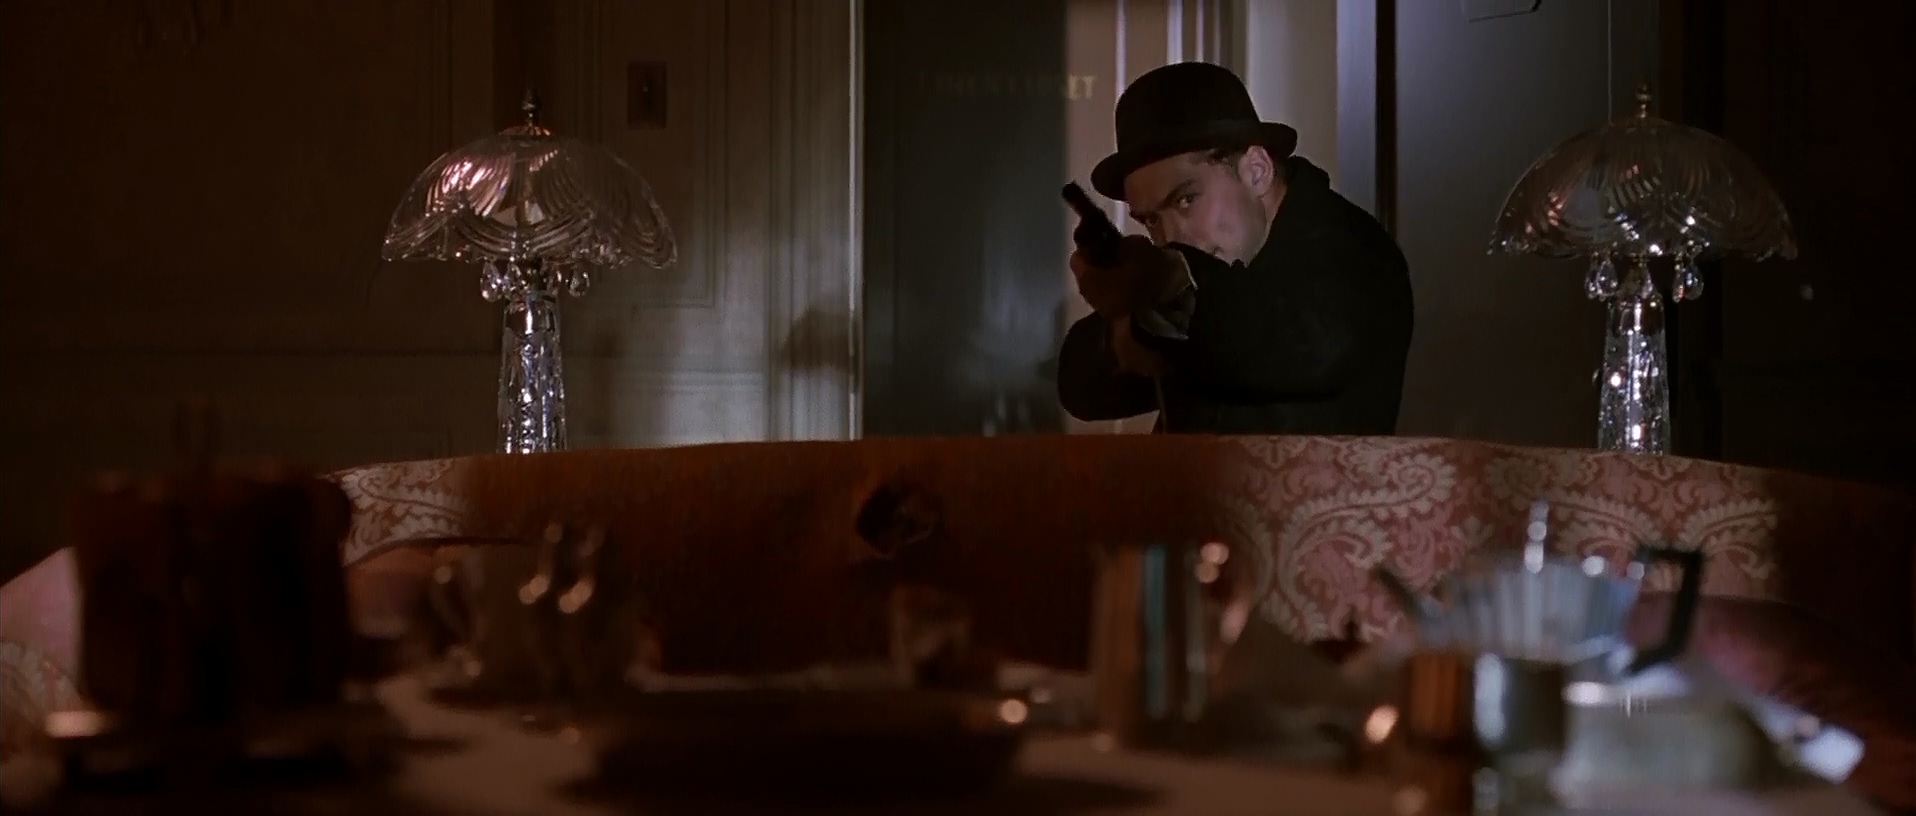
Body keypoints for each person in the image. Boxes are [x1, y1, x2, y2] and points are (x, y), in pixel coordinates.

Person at [1057, 62, 1414, 435]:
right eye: (1150, 220)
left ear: (1256, 170)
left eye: (1185, 200)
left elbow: (1302, 344)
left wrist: (1170, 282)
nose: (1171, 236)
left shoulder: (1352, 250)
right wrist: (1128, 327)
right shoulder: (1210, 286)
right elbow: (1080, 385)